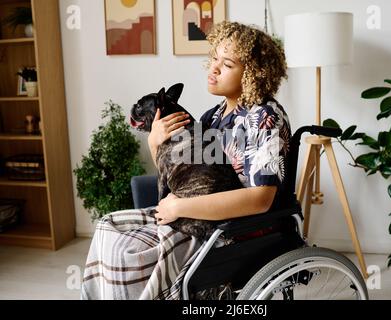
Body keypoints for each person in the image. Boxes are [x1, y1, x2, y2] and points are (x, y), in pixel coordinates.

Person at [81, 21, 291, 300]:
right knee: (108, 227)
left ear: (252, 73)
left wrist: (179, 206)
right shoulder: (211, 118)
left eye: (227, 64)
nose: (213, 68)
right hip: (191, 214)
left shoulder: (265, 118)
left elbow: (260, 199)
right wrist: (154, 142)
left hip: (232, 229)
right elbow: (180, 176)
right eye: (214, 58)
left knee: (127, 256)